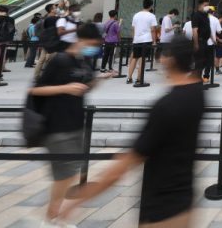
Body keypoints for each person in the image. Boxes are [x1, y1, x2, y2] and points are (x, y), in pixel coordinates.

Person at [61, 36, 205, 228]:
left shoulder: (167, 106)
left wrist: (79, 200)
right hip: (184, 200)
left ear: (168, 60)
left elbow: (126, 164)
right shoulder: (197, 92)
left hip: (161, 208)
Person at [30, 23, 104, 228]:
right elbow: (36, 90)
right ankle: (51, 219)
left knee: (69, 173)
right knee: (65, 175)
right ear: (82, 40)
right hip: (57, 125)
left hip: (75, 123)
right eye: (93, 44)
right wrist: (66, 88)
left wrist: (97, 81)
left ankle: (55, 217)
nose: (94, 48)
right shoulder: (60, 60)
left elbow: (83, 88)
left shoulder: (83, 61)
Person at [127, 0, 157, 85]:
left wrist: (134, 39)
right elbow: (153, 30)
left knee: (134, 58)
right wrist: (154, 41)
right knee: (142, 59)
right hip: (146, 39)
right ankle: (139, 79)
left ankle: (129, 78)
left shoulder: (136, 15)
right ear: (151, 6)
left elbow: (133, 29)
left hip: (137, 40)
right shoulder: (151, 16)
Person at [191, 0, 212, 80]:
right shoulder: (196, 15)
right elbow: (195, 30)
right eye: (205, 5)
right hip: (199, 40)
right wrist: (196, 44)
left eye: (208, 5)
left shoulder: (206, 15)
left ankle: (199, 77)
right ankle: (196, 79)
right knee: (199, 62)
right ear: (200, 5)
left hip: (205, 41)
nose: (207, 7)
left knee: (207, 61)